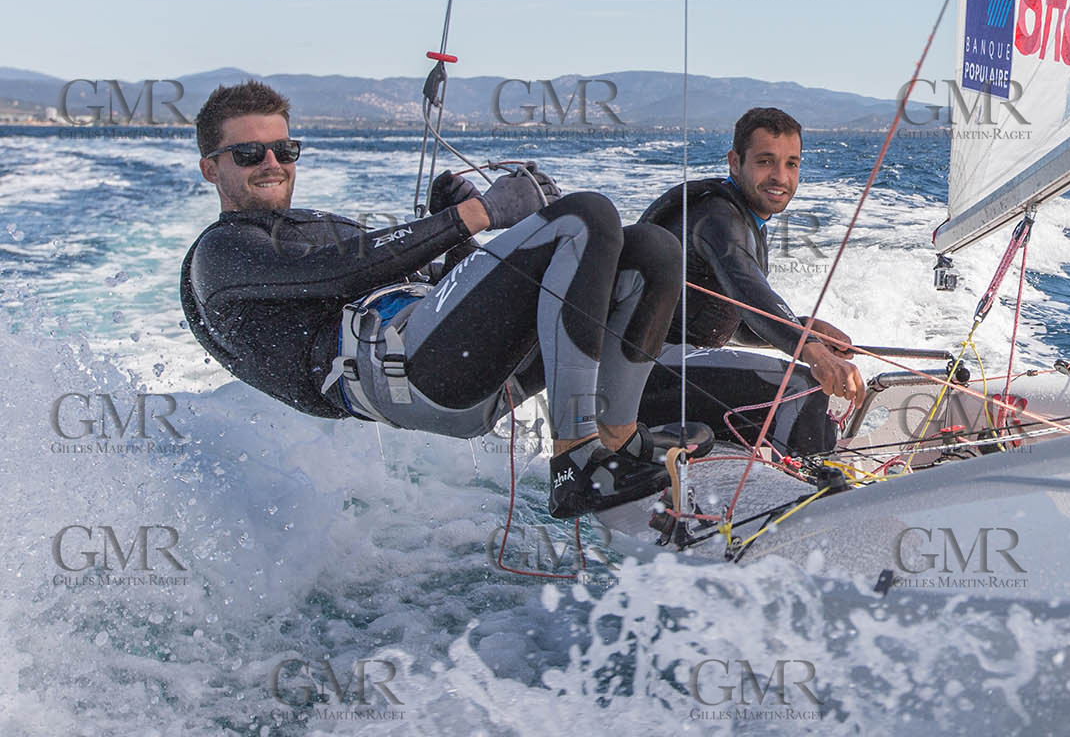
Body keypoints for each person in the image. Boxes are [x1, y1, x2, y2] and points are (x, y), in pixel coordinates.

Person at [179, 80, 701, 518]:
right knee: (584, 215)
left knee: (650, 249)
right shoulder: (221, 252)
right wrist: (475, 216)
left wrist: (456, 236)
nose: (272, 163)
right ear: (211, 168)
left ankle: (617, 441)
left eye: (284, 150)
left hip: (457, 361)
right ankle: (576, 462)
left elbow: (438, 286)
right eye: (250, 153)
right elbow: (332, 273)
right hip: (406, 377)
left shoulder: (316, 224)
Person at [636, 107, 864, 456]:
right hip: (640, 377)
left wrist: (803, 328)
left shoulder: (744, 218)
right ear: (734, 161)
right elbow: (751, 293)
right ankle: (814, 503)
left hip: (670, 371)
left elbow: (730, 323)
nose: (780, 177)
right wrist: (811, 350)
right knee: (801, 387)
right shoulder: (716, 218)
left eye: (791, 164)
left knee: (809, 401)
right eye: (765, 161)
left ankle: (823, 479)